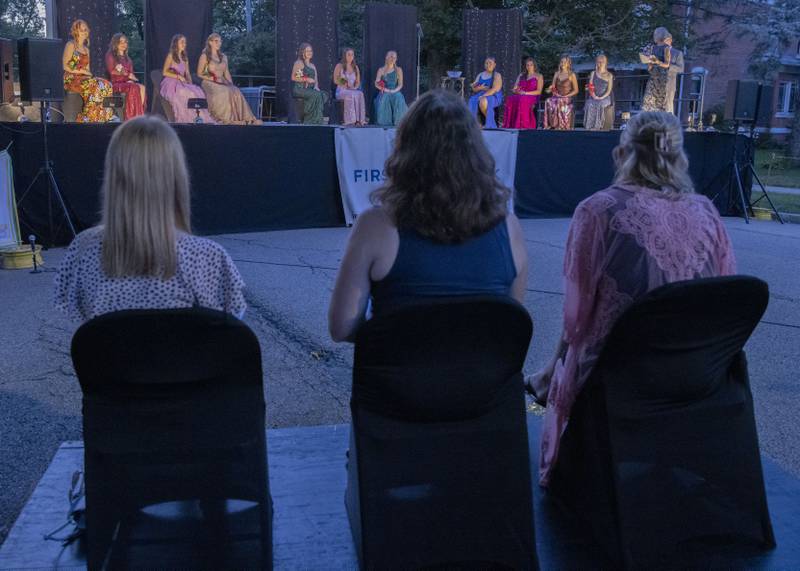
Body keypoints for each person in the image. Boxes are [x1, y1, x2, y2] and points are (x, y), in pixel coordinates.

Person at [525, 111, 737, 486]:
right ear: (678, 157)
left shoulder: (599, 210)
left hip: (622, 372)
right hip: (698, 370)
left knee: (586, 330)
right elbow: (725, 295)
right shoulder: (706, 211)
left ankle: (546, 380)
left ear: (620, 154)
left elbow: (577, 319)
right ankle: (546, 377)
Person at [328, 90, 528, 342]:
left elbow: (341, 328)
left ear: (405, 148)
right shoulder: (508, 228)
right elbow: (509, 324)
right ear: (476, 151)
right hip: (483, 379)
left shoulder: (375, 226)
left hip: (397, 377)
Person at [54, 115, 246, 323]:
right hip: (185, 355)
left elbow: (77, 321)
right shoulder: (208, 257)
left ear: (114, 176)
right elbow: (230, 329)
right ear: (176, 177)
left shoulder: (83, 249)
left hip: (109, 355)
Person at [198, 33, 261, 125]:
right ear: (210, 42)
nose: (219, 43)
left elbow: (226, 72)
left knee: (235, 91)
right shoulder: (205, 56)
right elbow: (199, 73)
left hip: (221, 81)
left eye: (220, 41)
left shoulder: (224, 57)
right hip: (209, 81)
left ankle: (245, 118)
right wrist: (214, 79)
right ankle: (225, 118)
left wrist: (231, 84)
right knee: (224, 91)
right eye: (216, 41)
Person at [62, 19, 114, 123]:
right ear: (76, 31)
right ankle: (86, 117)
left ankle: (101, 116)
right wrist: (83, 72)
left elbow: (88, 70)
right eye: (82, 30)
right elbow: (65, 66)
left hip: (84, 79)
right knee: (97, 85)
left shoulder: (86, 50)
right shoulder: (71, 45)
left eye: (86, 30)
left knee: (106, 84)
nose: (85, 32)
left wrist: (90, 76)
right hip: (71, 79)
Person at [160, 34, 215, 124]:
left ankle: (198, 118)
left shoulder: (185, 58)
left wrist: (190, 83)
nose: (184, 44)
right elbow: (164, 72)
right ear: (176, 43)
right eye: (181, 42)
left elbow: (188, 73)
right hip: (171, 81)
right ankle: (187, 118)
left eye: (185, 42)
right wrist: (178, 76)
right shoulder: (171, 56)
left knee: (197, 92)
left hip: (182, 81)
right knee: (186, 93)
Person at [105, 33, 146, 120]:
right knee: (133, 87)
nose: (124, 44)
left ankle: (139, 114)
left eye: (125, 42)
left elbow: (131, 75)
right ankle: (130, 116)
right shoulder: (110, 55)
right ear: (116, 44)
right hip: (116, 84)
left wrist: (131, 78)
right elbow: (111, 71)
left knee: (142, 88)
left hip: (126, 83)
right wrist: (126, 74)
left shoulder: (128, 59)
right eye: (121, 42)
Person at [292, 42, 328, 125]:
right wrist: (306, 79)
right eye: (307, 51)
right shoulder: (299, 63)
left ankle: (317, 120)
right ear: (302, 52)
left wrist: (316, 87)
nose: (309, 53)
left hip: (310, 89)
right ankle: (309, 120)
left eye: (310, 51)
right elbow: (295, 77)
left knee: (322, 94)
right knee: (316, 95)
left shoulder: (312, 65)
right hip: (300, 89)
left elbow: (316, 80)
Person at [504, 57, 543, 129]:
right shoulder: (521, 75)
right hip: (521, 94)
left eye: (531, 65)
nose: (529, 67)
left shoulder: (539, 76)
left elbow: (539, 91)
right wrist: (516, 91)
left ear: (534, 66)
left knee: (522, 100)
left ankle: (524, 125)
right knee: (510, 98)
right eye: (527, 65)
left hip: (532, 95)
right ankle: (511, 124)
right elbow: (515, 88)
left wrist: (525, 93)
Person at [641, 27, 672, 112]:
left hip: (661, 77)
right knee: (647, 99)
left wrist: (658, 62)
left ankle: (659, 119)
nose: (654, 36)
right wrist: (649, 62)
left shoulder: (666, 48)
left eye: (655, 34)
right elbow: (651, 64)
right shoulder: (653, 47)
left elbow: (667, 64)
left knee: (659, 100)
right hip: (653, 76)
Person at [333, 47, 366, 126]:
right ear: (345, 56)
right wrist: (345, 83)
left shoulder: (355, 67)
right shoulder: (339, 66)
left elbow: (357, 82)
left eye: (352, 55)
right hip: (341, 90)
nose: (350, 56)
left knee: (360, 94)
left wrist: (354, 87)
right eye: (349, 55)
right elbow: (335, 80)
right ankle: (350, 120)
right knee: (351, 95)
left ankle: (360, 120)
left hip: (352, 89)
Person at [468, 57, 504, 129]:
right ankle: (476, 124)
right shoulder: (480, 74)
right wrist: (477, 88)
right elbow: (474, 89)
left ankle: (491, 123)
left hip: (493, 95)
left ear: (494, 64)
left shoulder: (497, 75)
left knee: (483, 101)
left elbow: (495, 89)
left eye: (490, 63)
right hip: (481, 94)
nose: (488, 65)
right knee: (471, 100)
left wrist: (483, 95)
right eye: (486, 63)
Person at [544, 55, 578, 130]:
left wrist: (567, 95)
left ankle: (562, 125)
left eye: (565, 62)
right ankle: (551, 124)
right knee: (548, 100)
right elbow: (552, 87)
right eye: (561, 62)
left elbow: (576, 90)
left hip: (567, 97)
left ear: (568, 64)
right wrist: (549, 89)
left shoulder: (571, 75)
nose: (563, 63)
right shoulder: (557, 74)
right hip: (557, 95)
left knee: (560, 101)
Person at [374, 51, 408, 127]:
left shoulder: (398, 70)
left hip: (395, 90)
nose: (393, 59)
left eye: (394, 57)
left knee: (398, 97)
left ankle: (398, 122)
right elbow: (376, 83)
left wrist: (394, 91)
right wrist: (386, 90)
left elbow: (400, 84)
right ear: (387, 57)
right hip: (385, 91)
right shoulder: (381, 70)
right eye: (391, 57)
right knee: (386, 97)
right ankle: (386, 123)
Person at [583, 54, 614, 130]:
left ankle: (597, 126)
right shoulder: (593, 73)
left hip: (605, 97)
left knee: (600, 104)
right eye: (598, 62)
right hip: (594, 95)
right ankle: (589, 125)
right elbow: (590, 86)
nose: (600, 64)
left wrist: (601, 97)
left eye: (602, 62)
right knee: (590, 104)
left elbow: (609, 90)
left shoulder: (609, 75)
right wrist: (594, 96)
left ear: (605, 63)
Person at [664, 32, 685, 114]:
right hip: (656, 83)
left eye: (665, 40)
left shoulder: (677, 53)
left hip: (669, 84)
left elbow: (681, 69)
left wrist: (668, 66)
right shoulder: (656, 52)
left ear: (670, 40)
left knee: (668, 107)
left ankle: (669, 125)